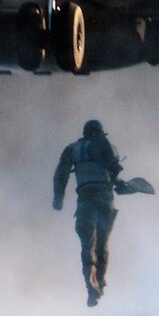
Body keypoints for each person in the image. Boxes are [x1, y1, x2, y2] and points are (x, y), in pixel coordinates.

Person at [53, 118, 123, 306]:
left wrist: (58, 197)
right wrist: (119, 183)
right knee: (102, 244)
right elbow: (113, 168)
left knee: (86, 246)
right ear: (100, 133)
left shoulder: (72, 149)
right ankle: (99, 281)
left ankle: (89, 285)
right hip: (104, 201)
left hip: (84, 202)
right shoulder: (104, 144)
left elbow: (61, 173)